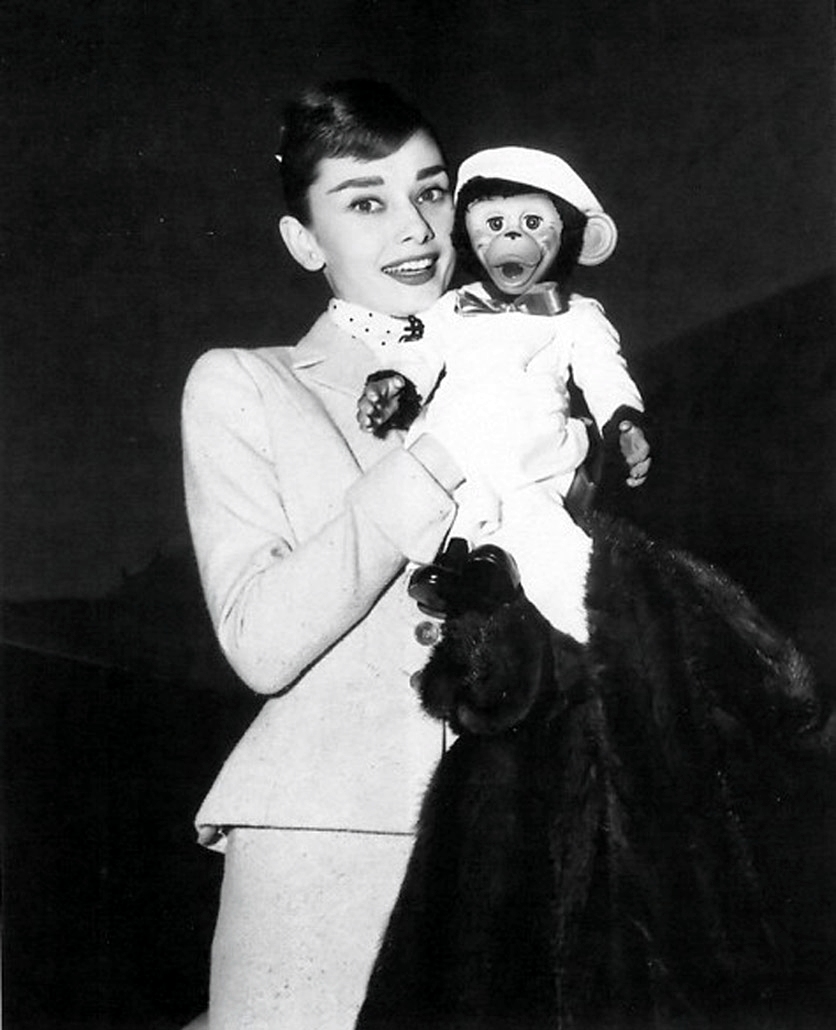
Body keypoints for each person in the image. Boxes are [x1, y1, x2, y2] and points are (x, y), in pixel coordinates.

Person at [181, 79, 559, 1030]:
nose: (416, 230)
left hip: (518, 839)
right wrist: (441, 451)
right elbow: (259, 640)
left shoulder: (540, 378)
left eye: (431, 192)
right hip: (328, 841)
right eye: (365, 203)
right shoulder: (247, 385)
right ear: (304, 241)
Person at [357, 146, 651, 643]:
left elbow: (604, 370)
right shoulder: (454, 307)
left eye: (532, 223)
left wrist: (622, 420)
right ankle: (459, 565)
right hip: (455, 442)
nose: (511, 236)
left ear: (568, 237)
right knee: (453, 504)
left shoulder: (575, 315)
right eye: (493, 224)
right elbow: (421, 353)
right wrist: (395, 383)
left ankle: (594, 628)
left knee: (540, 529)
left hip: (530, 446)